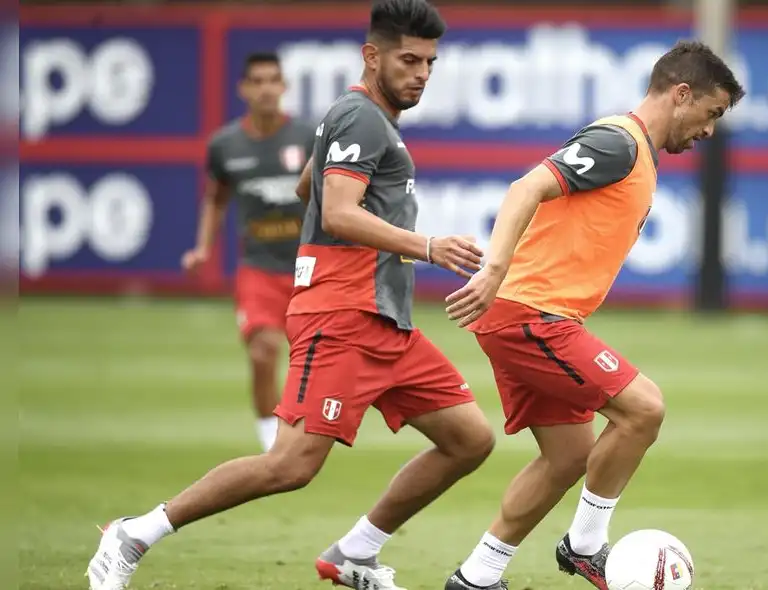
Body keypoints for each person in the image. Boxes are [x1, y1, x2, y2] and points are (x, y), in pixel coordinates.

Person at [86, 2, 496, 589]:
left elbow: (308, 184)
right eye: (409, 59)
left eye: (430, 61)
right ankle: (135, 533)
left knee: (469, 438)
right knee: (290, 465)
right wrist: (425, 246)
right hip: (342, 315)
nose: (423, 72)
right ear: (371, 56)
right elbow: (335, 209)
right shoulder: (360, 117)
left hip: (384, 318)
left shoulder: (360, 119)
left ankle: (356, 553)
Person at [442, 40, 745, 590]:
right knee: (644, 410)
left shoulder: (636, 152)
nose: (709, 131)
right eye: (711, 113)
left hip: (536, 317)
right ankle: (584, 546)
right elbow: (527, 185)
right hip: (529, 315)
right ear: (682, 94)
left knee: (568, 456)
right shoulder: (618, 142)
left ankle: (477, 577)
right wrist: (492, 269)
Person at [181, 51, 314, 452]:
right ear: (243, 89)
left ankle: (313, 432)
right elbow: (216, 199)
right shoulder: (225, 144)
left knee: (318, 361)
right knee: (263, 352)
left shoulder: (308, 137)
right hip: (258, 267)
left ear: (284, 87)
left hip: (308, 267)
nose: (266, 89)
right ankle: (269, 443)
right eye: (257, 81)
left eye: (273, 80)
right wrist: (204, 248)